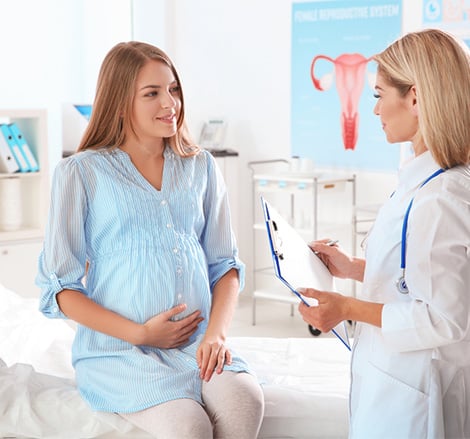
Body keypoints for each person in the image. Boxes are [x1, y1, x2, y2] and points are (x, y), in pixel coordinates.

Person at [36, 41, 264, 439]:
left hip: (197, 344)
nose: (170, 103)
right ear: (121, 101)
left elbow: (225, 266)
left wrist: (216, 335)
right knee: (188, 425)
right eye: (152, 93)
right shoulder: (80, 173)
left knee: (244, 400)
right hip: (119, 352)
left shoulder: (201, 166)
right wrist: (141, 334)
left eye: (173, 89)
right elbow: (60, 289)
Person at [298, 28, 470, 439]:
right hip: (394, 379)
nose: (374, 110)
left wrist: (346, 308)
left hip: (414, 394)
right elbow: (417, 276)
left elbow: (444, 319)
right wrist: (354, 268)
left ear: (414, 98)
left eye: (378, 95)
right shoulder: (423, 179)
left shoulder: (439, 196)